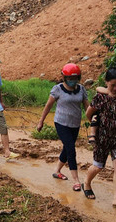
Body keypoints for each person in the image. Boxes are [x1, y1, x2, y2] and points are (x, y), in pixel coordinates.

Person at [83, 67, 116, 210]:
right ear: (106, 82)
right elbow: (88, 114)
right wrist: (96, 126)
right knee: (98, 166)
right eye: (112, 85)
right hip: (102, 138)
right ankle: (87, 182)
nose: (115, 88)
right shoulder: (100, 97)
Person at [37, 63, 88, 191]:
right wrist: (41, 121)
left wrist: (95, 121)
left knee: (67, 148)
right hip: (61, 123)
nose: (72, 81)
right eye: (70, 78)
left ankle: (57, 170)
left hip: (75, 124)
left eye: (75, 78)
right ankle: (76, 180)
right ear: (64, 78)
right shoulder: (57, 89)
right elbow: (48, 106)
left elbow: (88, 108)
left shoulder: (81, 89)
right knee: (71, 149)